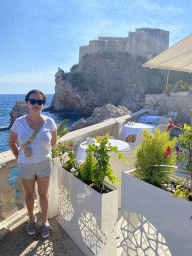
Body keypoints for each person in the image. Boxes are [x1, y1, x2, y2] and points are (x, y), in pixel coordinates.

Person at [9, 89, 57, 238]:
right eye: (33, 101)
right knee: (29, 194)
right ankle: (31, 219)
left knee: (43, 194)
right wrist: (19, 158)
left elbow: (53, 143)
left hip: (43, 163)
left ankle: (44, 222)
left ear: (43, 104)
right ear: (27, 103)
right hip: (26, 165)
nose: (37, 104)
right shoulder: (19, 122)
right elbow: (11, 143)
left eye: (40, 101)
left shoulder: (49, 122)